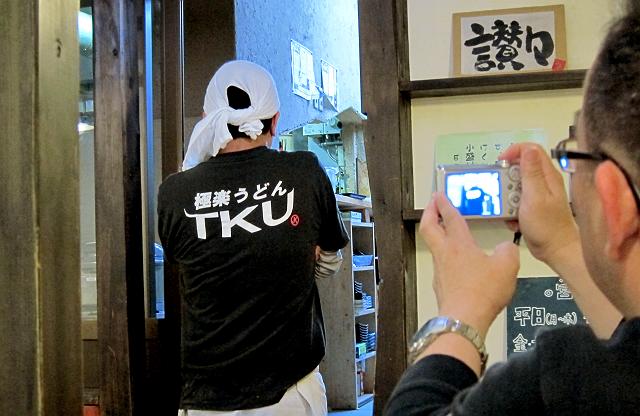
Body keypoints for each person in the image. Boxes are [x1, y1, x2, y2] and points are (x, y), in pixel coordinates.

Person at [385, 2, 640, 414]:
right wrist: (559, 243)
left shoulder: (562, 383)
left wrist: (464, 307)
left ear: (614, 200)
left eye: (575, 153)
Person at [157, 60, 348, 416]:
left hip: (206, 401)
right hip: (291, 394)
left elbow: (188, 269)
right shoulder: (304, 172)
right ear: (275, 121)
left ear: (206, 117)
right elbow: (330, 260)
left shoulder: (174, 192)